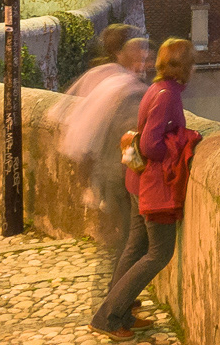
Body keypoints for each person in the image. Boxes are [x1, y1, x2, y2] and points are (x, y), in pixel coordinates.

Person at [90, 37, 199, 341]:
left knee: (135, 248)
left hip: (138, 182)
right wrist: (180, 143)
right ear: (185, 66)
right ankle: (108, 316)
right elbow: (151, 144)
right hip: (153, 187)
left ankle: (119, 312)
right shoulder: (168, 95)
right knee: (159, 253)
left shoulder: (157, 88)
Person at [50, 25, 150, 238]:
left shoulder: (101, 77)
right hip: (117, 173)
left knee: (120, 234)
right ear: (120, 52)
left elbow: (77, 121)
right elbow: (128, 136)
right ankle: (121, 270)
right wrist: (136, 171)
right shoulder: (124, 86)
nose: (144, 53)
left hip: (105, 172)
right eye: (137, 47)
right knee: (128, 235)